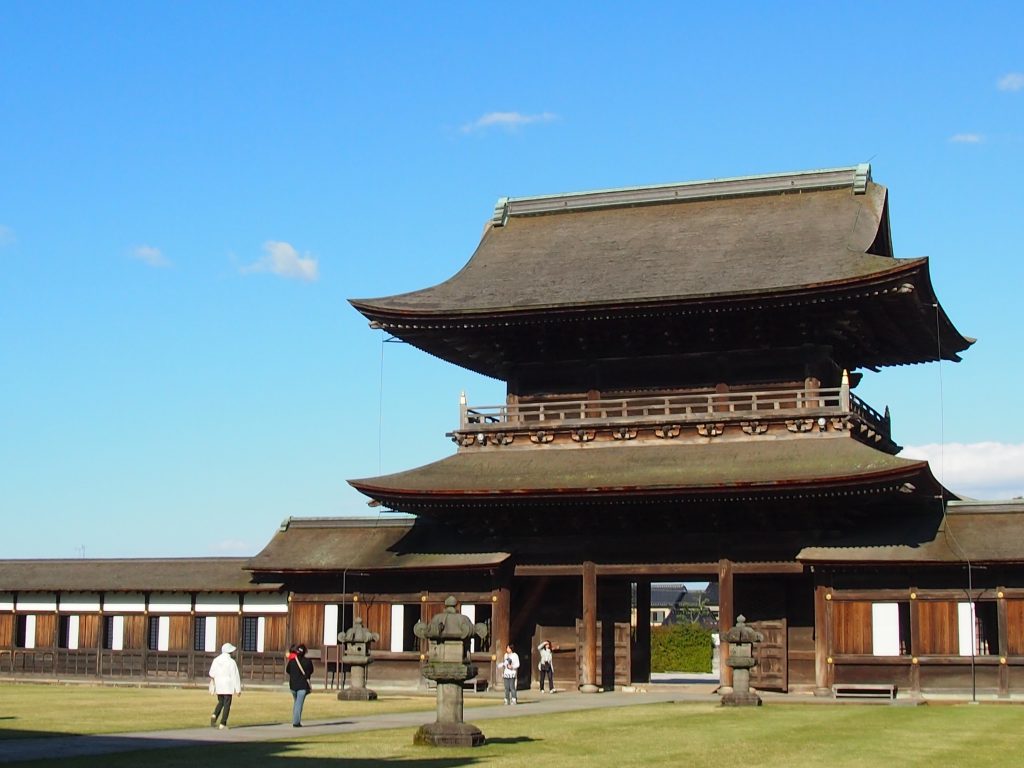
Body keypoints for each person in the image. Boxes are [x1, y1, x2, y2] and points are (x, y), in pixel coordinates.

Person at [208, 642, 242, 729]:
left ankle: (214, 715)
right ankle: (223, 723)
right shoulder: (231, 662)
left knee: (221, 702)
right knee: (227, 704)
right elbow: (235, 676)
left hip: (219, 685)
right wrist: (238, 689)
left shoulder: (216, 660)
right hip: (228, 685)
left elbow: (211, 673)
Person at [286, 642, 314, 727]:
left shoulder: (292, 661)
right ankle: (296, 722)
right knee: (299, 704)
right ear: (305, 652)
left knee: (296, 703)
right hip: (302, 686)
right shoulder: (308, 661)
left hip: (293, 686)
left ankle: (296, 719)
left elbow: (287, 671)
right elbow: (311, 671)